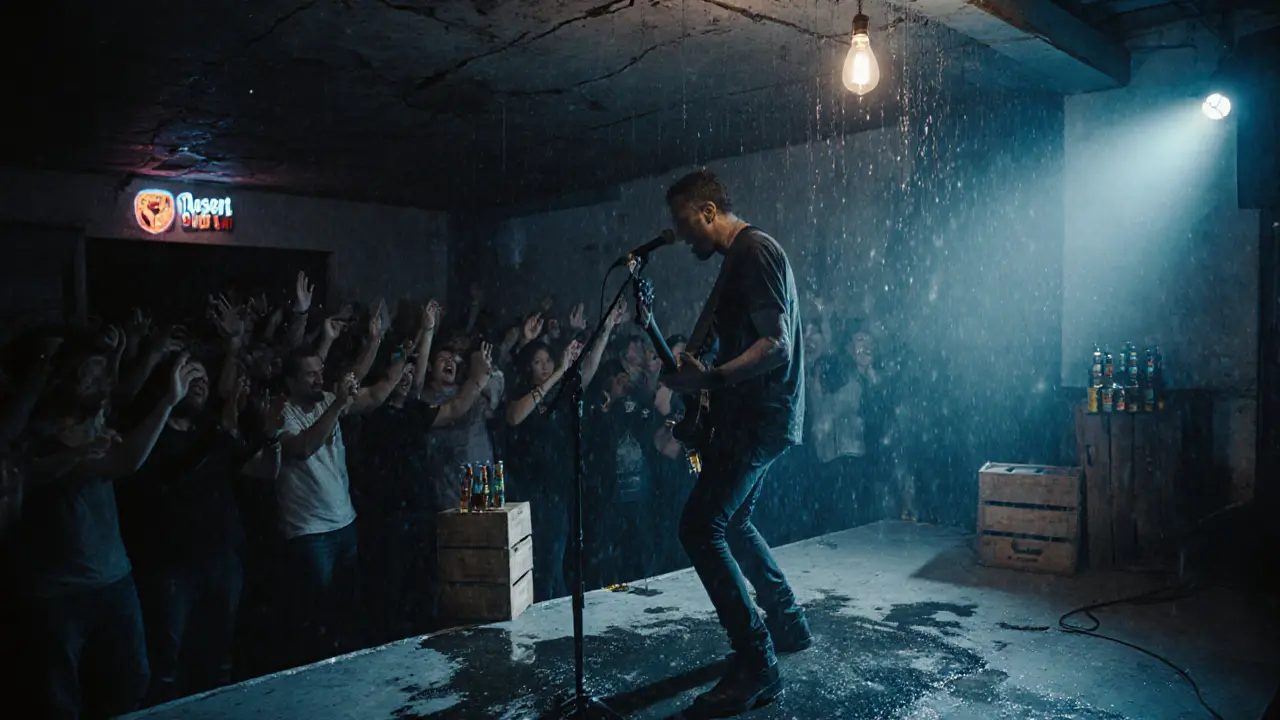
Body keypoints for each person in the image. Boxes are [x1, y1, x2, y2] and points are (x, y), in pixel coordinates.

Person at [659, 169, 812, 716]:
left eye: (684, 223)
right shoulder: (739, 260)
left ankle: (756, 663)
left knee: (700, 527)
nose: (682, 237)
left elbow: (777, 344)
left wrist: (710, 380)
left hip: (759, 418)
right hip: (761, 417)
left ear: (707, 211)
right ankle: (787, 622)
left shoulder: (754, 252)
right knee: (735, 521)